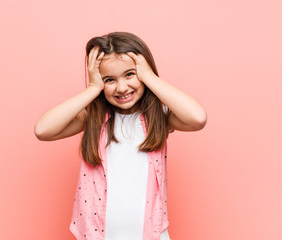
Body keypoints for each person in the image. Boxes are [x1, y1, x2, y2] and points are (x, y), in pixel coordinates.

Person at [34, 32, 207, 240]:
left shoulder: (158, 117)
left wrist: (149, 77)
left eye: (129, 74)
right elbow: (42, 129)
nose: (122, 87)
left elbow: (197, 118)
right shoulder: (93, 118)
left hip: (151, 235)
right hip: (97, 234)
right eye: (109, 80)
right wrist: (93, 88)